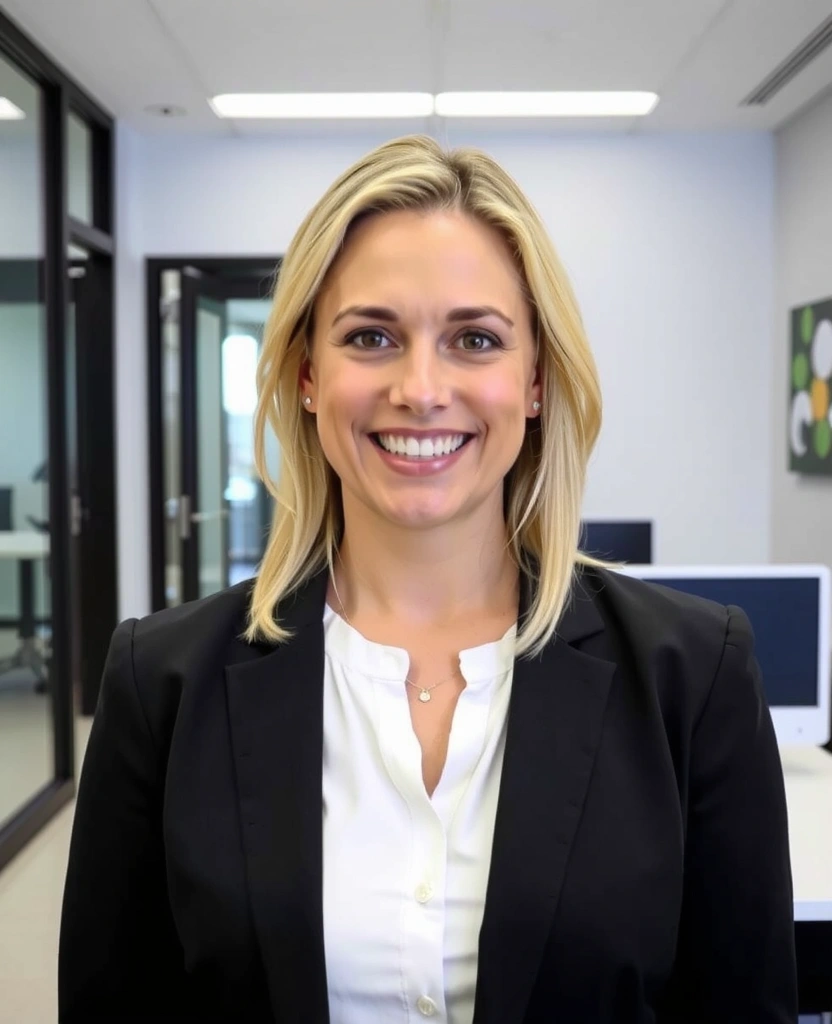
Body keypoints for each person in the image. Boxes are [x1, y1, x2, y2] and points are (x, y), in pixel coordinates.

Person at [58, 135, 796, 1023]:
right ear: (305, 375)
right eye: (371, 336)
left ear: (534, 380)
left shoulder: (694, 672)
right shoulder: (159, 682)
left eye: (474, 339)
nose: (420, 387)